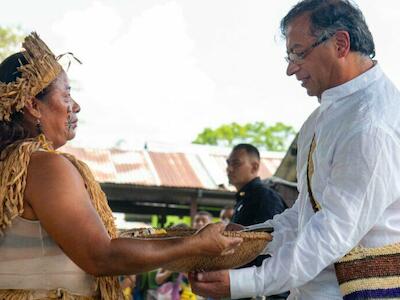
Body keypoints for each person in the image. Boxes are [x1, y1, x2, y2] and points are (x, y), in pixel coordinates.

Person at [0, 33, 242, 299]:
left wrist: (169, 237)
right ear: (33, 105)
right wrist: (194, 245)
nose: (76, 106)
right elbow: (100, 256)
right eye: (67, 95)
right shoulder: (45, 166)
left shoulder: (12, 165)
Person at [190, 1, 400, 299]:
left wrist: (244, 283)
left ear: (340, 44)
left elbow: (332, 232)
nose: (291, 69)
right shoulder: (322, 118)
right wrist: (250, 237)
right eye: (289, 56)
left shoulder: (371, 123)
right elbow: (305, 215)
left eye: (299, 53)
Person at [227, 144, 288, 300]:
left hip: (264, 291)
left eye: (236, 163)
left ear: (254, 166)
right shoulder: (245, 198)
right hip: (247, 286)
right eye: (228, 163)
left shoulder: (264, 197)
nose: (229, 168)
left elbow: (265, 244)